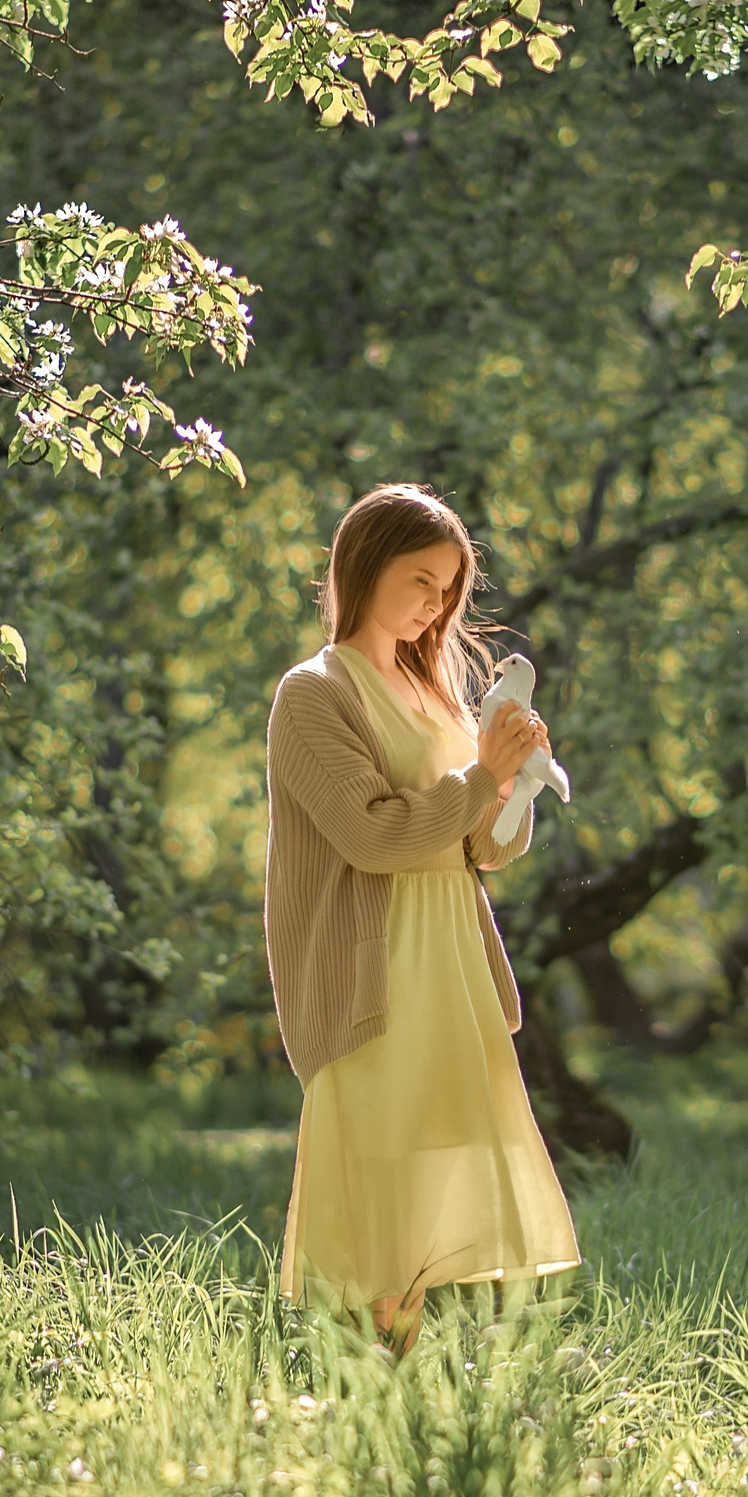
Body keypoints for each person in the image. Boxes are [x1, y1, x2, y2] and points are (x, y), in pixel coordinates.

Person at [262, 483, 582, 1350]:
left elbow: (478, 848)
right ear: (363, 565)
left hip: (450, 965)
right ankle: (365, 1382)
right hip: (377, 972)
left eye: (448, 588)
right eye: (421, 579)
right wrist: (480, 778)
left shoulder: (432, 691)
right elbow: (374, 835)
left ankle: (394, 1389)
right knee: (381, 1194)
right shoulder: (314, 694)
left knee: (431, 1186)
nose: (437, 604)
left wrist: (512, 782)